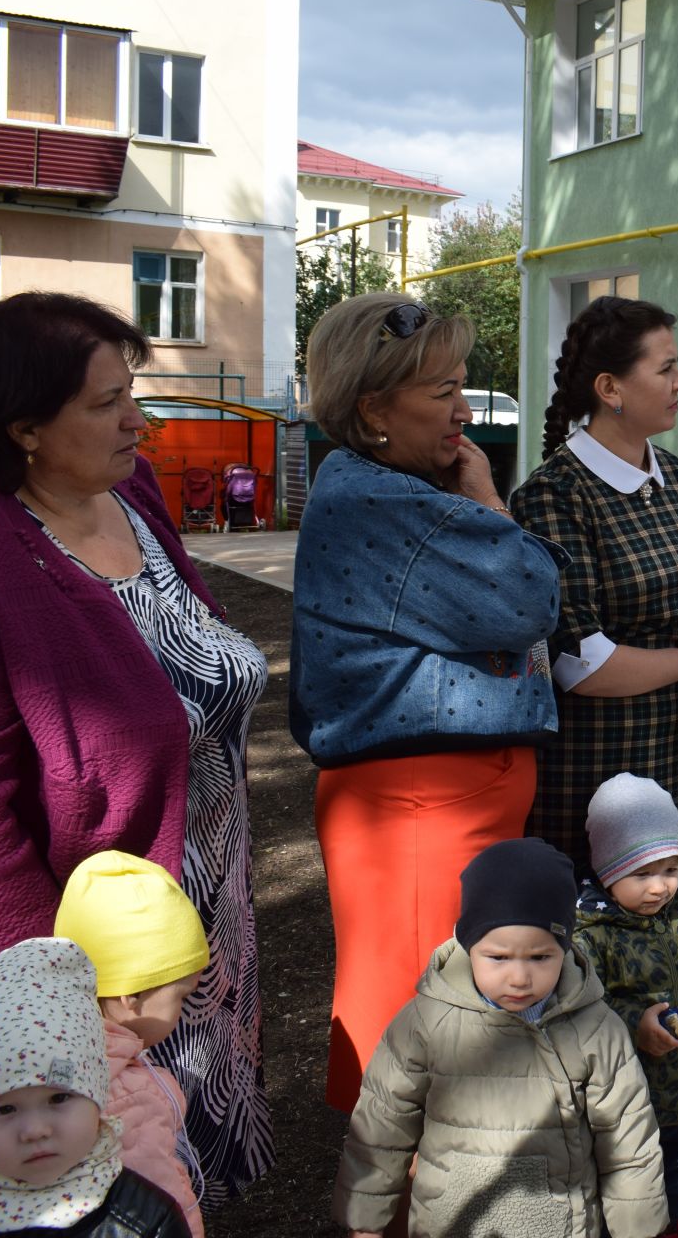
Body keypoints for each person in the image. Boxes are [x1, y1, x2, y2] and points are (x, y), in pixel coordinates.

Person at [0, 292, 269, 1202]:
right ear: (23, 429)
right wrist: (54, 981)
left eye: (132, 391)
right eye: (106, 403)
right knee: (88, 1190)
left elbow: (189, 665)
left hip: (201, 912)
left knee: (173, 1164)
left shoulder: (127, 496)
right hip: (81, 962)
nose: (141, 419)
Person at [291, 293, 564, 1112]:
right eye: (441, 391)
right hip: (415, 813)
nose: (463, 411)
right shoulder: (387, 501)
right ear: (373, 407)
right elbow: (529, 596)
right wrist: (486, 494)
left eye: (461, 384)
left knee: (452, 1037)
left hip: (434, 806)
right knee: (424, 1051)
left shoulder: (384, 486)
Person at [334, 838, 667, 1238]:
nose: (519, 978)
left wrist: (639, 1229)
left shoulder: (594, 1028)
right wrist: (365, 1219)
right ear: (469, 946)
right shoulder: (427, 1021)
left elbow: (627, 1137)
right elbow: (384, 1122)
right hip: (453, 1220)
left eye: (540, 957)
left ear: (565, 948)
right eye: (498, 958)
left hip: (562, 1225)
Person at [510, 298, 678, 873]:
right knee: (585, 933)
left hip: (664, 753)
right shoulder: (553, 495)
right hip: (589, 765)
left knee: (652, 925)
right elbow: (580, 662)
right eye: (665, 369)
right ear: (611, 388)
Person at [0, 854, 209, 1236]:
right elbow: (157, 1204)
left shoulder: (1, 1050)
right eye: (182, 996)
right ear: (131, 996)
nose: (35, 1129)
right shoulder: (128, 1095)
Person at [573, 775, 678, 1238]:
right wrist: (633, 1027)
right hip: (625, 1099)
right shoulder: (591, 937)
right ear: (608, 871)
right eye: (641, 873)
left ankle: (675, 1223)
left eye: (669, 870)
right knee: (628, 1179)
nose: (659, 887)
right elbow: (584, 1006)